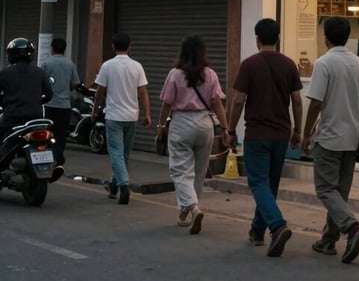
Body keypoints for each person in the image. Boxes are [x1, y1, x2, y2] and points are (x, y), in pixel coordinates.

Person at [223, 18, 302, 257]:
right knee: (270, 185)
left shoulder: (249, 65)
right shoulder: (289, 65)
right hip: (281, 134)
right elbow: (297, 101)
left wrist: (229, 130)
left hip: (257, 134)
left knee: (257, 182)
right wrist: (298, 130)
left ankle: (277, 226)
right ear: (278, 37)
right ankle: (257, 230)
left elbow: (238, 100)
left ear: (257, 38)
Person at [301, 15, 359, 264]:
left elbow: (316, 103)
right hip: (353, 137)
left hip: (330, 136)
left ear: (326, 38)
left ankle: (352, 229)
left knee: (325, 189)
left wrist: (306, 133)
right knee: (339, 192)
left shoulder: (324, 63)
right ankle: (328, 240)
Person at [156, 35, 228, 234]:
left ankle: (194, 209)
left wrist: (160, 125)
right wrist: (226, 128)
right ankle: (184, 213)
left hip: (182, 123)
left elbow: (167, 104)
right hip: (205, 124)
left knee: (180, 171)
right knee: (198, 172)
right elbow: (218, 104)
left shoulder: (175, 74)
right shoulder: (211, 74)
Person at [92, 32, 152, 205]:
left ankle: (123, 185)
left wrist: (95, 111)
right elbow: (142, 93)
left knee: (116, 153)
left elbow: (99, 92)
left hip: (114, 116)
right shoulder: (137, 66)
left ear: (113, 46)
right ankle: (113, 185)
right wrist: (147, 113)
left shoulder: (107, 66)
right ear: (130, 46)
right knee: (124, 153)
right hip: (131, 116)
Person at [0, 38, 53, 141]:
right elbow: (49, 94)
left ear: (11, 54)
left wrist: (4, 103)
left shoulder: (5, 73)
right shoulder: (39, 72)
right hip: (35, 118)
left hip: (12, 117)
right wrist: (36, 102)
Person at [42, 37, 81, 164]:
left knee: (47, 133)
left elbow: (41, 83)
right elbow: (75, 84)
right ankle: (58, 159)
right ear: (64, 49)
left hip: (49, 105)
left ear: (52, 49)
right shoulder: (70, 64)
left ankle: (47, 158)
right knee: (61, 134)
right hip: (64, 106)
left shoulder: (46, 64)